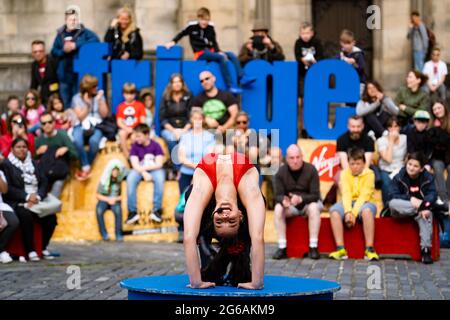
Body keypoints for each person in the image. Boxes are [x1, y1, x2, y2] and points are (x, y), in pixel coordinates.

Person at [183, 151, 266, 289]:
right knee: (259, 204)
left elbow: (188, 237)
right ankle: (219, 265)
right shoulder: (249, 190)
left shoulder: (201, 189)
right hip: (241, 171)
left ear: (213, 215)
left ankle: (227, 266)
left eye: (219, 222)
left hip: (209, 169)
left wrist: (196, 282)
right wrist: (256, 282)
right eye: (231, 221)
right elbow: (258, 237)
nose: (225, 217)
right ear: (240, 215)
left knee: (190, 194)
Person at [165, 7, 254, 94]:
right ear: (199, 19)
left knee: (231, 55)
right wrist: (173, 42)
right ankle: (230, 85)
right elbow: (181, 34)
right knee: (222, 58)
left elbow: (214, 42)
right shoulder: (192, 27)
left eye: (207, 20)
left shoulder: (210, 28)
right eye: (203, 20)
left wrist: (218, 50)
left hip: (211, 51)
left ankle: (241, 77)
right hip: (200, 53)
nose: (205, 22)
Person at [1, 138, 57, 262]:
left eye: (24, 147)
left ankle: (42, 247)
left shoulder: (33, 163)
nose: (22, 149)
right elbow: (8, 189)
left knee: (51, 218)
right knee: (25, 215)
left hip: (36, 199)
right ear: (12, 149)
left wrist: (37, 196)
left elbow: (44, 181)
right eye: (18, 147)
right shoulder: (7, 165)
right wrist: (26, 197)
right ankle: (31, 250)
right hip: (17, 201)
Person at [272, 145, 322, 260]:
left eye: (297, 157)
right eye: (292, 158)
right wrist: (284, 200)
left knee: (314, 207)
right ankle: (282, 247)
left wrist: (301, 199)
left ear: (302, 157)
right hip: (290, 206)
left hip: (308, 204)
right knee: (278, 208)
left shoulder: (311, 169)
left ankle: (313, 246)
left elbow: (316, 195)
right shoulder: (280, 172)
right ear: (286, 159)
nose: (295, 161)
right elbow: (277, 195)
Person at [328, 148, 379, 261]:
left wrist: (353, 214)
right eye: (352, 163)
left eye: (358, 163)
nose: (355, 166)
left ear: (364, 164)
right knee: (334, 211)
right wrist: (347, 212)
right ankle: (341, 249)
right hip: (348, 202)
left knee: (367, 211)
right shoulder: (345, 173)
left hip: (366, 202)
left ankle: (369, 249)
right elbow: (346, 193)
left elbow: (364, 196)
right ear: (348, 163)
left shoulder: (370, 174)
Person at [389, 152, 437, 264]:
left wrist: (424, 206)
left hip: (420, 212)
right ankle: (421, 209)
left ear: (421, 169)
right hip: (401, 210)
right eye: (409, 164)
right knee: (392, 203)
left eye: (415, 166)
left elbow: (432, 195)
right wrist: (410, 199)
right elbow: (392, 195)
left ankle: (425, 251)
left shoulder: (428, 178)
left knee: (426, 214)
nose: (411, 168)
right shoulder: (399, 176)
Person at [51, 6, 99, 108]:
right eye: (70, 19)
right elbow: (54, 51)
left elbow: (95, 40)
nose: (72, 22)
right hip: (64, 74)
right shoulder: (60, 34)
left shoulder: (84, 32)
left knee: (79, 102)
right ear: (66, 20)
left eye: (75, 19)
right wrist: (63, 51)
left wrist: (76, 45)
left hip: (79, 74)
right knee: (65, 102)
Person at [125, 124, 166, 225]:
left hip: (154, 169)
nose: (136, 138)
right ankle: (132, 212)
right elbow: (134, 164)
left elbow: (159, 164)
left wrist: (144, 169)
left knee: (160, 177)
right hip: (139, 170)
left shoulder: (156, 145)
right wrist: (143, 173)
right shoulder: (135, 146)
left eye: (138, 136)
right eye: (135, 135)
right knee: (130, 178)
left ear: (147, 135)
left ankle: (156, 211)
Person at [70, 74, 109, 181]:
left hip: (97, 125)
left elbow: (104, 114)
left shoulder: (100, 96)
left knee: (94, 142)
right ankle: (85, 165)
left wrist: (100, 101)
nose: (96, 88)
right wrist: (88, 105)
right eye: (93, 87)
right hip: (81, 125)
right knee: (77, 140)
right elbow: (80, 117)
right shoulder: (76, 98)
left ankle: (86, 168)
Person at [35, 112, 78, 199]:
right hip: (45, 174)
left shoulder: (62, 135)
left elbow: (75, 155)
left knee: (56, 190)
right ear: (41, 126)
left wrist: (66, 149)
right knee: (39, 193)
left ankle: (51, 208)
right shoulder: (39, 140)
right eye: (44, 123)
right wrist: (37, 153)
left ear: (54, 122)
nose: (47, 125)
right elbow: (33, 160)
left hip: (60, 173)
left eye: (50, 122)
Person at [159, 74, 192, 178]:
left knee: (186, 138)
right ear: (171, 84)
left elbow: (192, 116)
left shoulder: (189, 96)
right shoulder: (166, 97)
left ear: (182, 83)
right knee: (172, 138)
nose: (177, 84)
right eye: (174, 82)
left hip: (186, 127)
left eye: (179, 82)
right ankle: (178, 170)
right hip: (170, 128)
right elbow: (162, 118)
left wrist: (184, 130)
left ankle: (189, 168)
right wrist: (174, 130)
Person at [177, 108, 216, 194]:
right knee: (184, 199)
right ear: (191, 120)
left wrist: (199, 169)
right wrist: (195, 166)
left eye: (200, 118)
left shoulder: (209, 136)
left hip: (204, 172)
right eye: (195, 118)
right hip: (186, 172)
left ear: (203, 120)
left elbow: (210, 157)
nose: (197, 121)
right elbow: (181, 157)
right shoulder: (185, 136)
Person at [376, 117, 407, 207]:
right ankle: (387, 208)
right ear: (387, 128)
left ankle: (402, 208)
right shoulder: (381, 140)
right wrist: (391, 141)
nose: (393, 129)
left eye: (396, 126)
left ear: (399, 127)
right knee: (386, 184)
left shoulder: (405, 138)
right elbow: (388, 159)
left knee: (404, 182)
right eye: (390, 127)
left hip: (400, 168)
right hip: (386, 169)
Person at [96, 160, 127, 242]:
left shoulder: (120, 179)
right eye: (114, 171)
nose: (115, 173)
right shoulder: (104, 180)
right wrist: (108, 199)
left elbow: (122, 196)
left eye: (117, 171)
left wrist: (115, 199)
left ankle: (118, 234)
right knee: (99, 210)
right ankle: (104, 234)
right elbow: (98, 195)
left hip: (115, 200)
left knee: (118, 210)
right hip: (105, 199)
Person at [428, 100, 450, 207]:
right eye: (434, 109)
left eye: (439, 108)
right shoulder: (432, 125)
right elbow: (431, 144)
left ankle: (446, 197)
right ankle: (444, 199)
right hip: (438, 156)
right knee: (437, 167)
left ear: (444, 107)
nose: (436, 111)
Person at [116, 83, 146, 158]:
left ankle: (136, 155)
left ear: (135, 94)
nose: (129, 96)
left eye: (131, 93)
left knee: (134, 137)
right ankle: (127, 155)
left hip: (136, 129)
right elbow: (119, 121)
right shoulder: (121, 106)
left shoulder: (140, 105)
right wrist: (126, 128)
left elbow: (142, 121)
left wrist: (135, 130)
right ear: (123, 94)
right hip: (126, 128)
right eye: (127, 94)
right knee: (121, 133)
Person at [294, 22, 324, 97]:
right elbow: (297, 55)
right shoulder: (298, 43)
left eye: (307, 33)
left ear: (312, 33)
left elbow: (321, 55)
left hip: (315, 70)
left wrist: (315, 61)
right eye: (303, 33)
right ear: (300, 34)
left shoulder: (317, 42)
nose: (305, 36)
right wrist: (302, 60)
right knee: (303, 91)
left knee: (315, 90)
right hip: (302, 72)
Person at [30, 40, 59, 105]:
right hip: (43, 100)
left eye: (40, 51)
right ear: (32, 53)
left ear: (44, 52)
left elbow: (61, 80)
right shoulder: (34, 65)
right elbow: (33, 85)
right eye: (35, 52)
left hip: (56, 99)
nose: (38, 54)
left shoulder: (53, 62)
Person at [338, 29, 366, 94]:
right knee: (347, 101)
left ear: (353, 42)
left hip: (358, 82)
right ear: (341, 43)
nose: (347, 46)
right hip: (346, 82)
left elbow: (362, 68)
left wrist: (354, 63)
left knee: (357, 101)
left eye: (349, 43)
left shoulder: (358, 54)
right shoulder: (341, 54)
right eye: (344, 43)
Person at [0, 170, 19, 264]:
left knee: (13, 222)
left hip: (1, 205)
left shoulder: (1, 172)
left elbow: (4, 190)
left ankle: (0, 249)